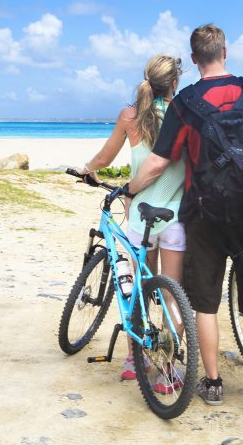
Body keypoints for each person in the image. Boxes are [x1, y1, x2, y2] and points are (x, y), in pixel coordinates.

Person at [127, 24, 243, 405]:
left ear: (195, 57)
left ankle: (213, 384)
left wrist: (131, 189)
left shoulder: (185, 103)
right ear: (226, 52)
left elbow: (157, 163)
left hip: (203, 214)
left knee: (204, 303)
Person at [77, 54, 186, 384]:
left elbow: (106, 156)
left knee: (137, 289)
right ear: (175, 83)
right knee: (172, 295)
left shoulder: (130, 116)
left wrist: (87, 171)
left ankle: (132, 359)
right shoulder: (184, 114)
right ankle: (167, 373)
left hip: (140, 216)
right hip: (176, 218)